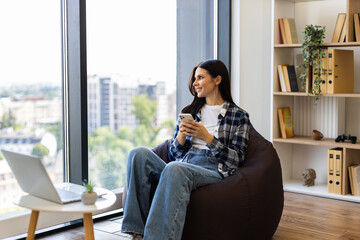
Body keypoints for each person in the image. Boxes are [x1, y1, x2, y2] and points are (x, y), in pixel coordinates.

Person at [121, 59, 251, 240]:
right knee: (138, 154)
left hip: (213, 168)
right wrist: (181, 138)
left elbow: (237, 160)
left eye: (200, 78)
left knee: (175, 168)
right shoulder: (190, 111)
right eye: (194, 79)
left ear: (217, 80)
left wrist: (208, 138)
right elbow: (173, 155)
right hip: (184, 164)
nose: (194, 83)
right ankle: (136, 232)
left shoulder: (239, 116)